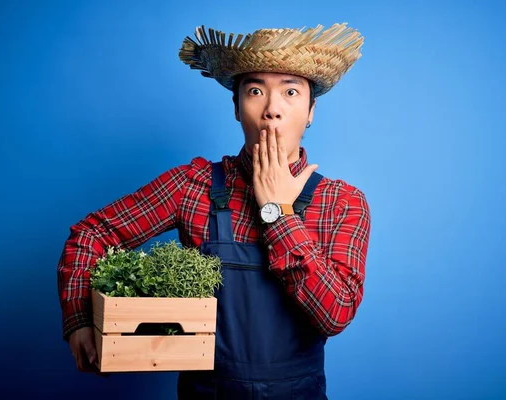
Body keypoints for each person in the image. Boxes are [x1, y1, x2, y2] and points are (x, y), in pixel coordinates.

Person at [57, 22, 371, 399]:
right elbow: (92, 234)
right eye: (255, 91)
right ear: (237, 107)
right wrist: (78, 320)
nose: (272, 109)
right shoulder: (194, 186)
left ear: (310, 112)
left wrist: (277, 209)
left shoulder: (341, 202)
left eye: (290, 92)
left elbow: (335, 313)